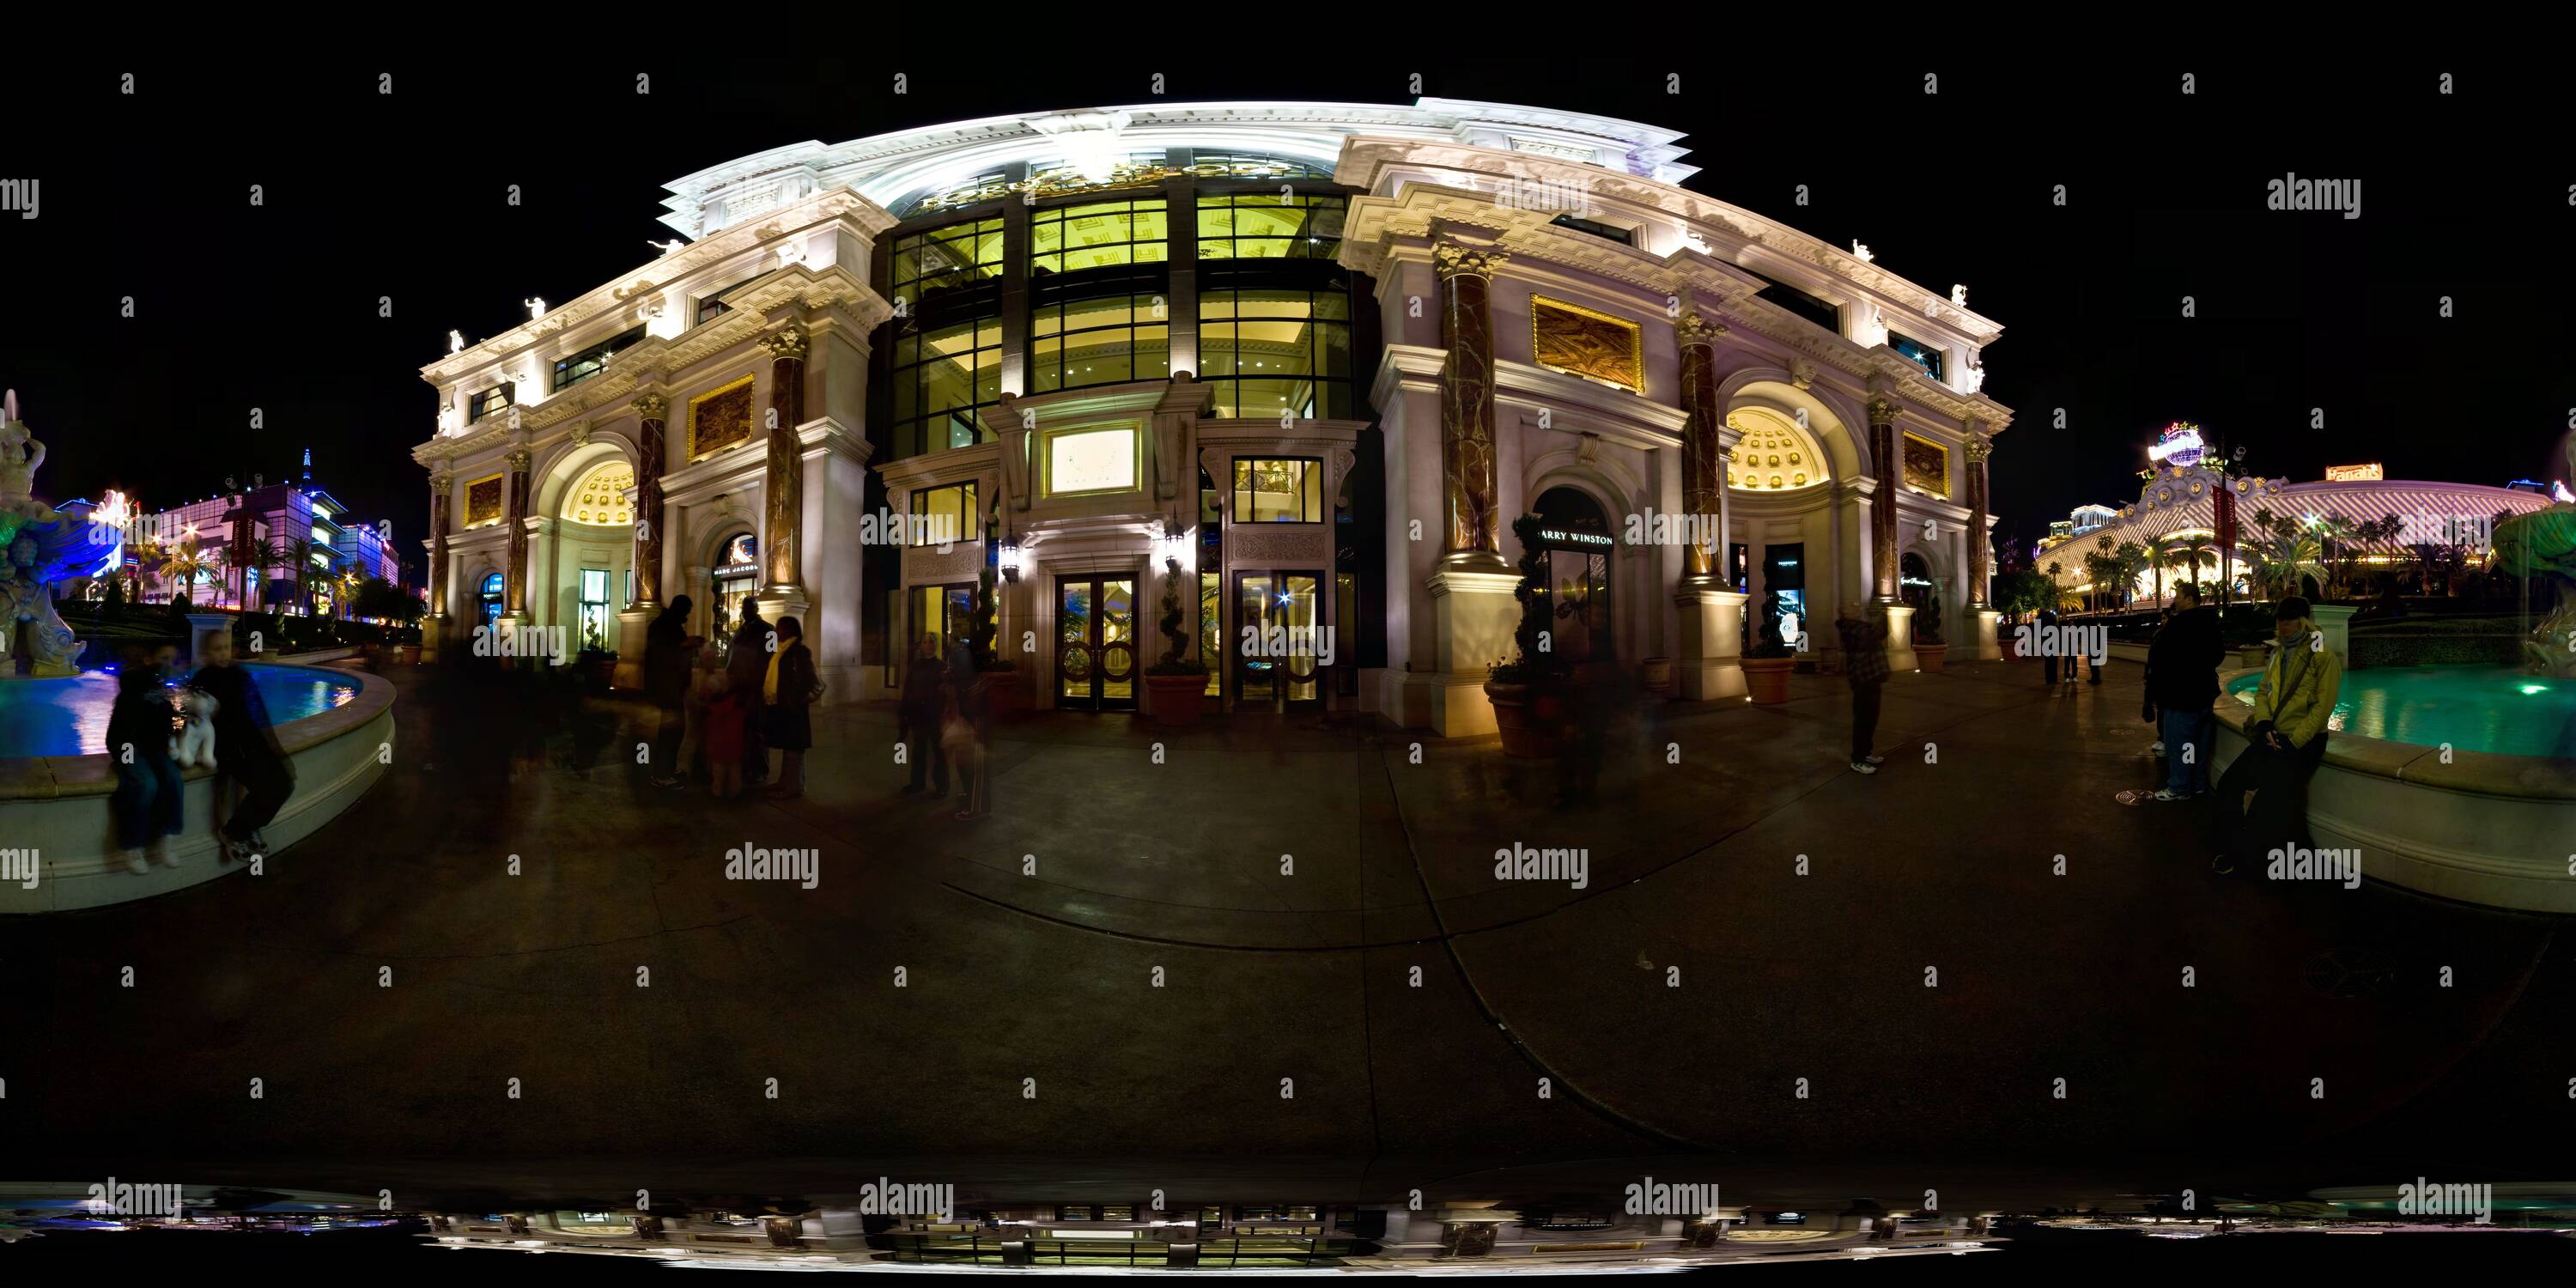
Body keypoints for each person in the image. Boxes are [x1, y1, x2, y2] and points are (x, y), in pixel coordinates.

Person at [2206, 597, 2342, 874]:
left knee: (2268, 800)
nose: (2285, 625)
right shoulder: (2278, 654)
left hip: (2304, 743)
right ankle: (2231, 844)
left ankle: (2242, 858)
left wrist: (2293, 743)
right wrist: (2266, 726)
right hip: (2274, 735)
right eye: (2281, 619)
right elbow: (2263, 692)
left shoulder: (2322, 655)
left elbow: (2322, 708)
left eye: (2291, 619)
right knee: (2230, 784)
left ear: (2305, 621)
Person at [189, 628, 293, 862]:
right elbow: (194, 719)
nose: (223, 653)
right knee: (266, 786)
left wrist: (276, 748)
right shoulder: (202, 680)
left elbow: (257, 710)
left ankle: (249, 824)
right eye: (217, 649)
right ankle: (235, 831)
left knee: (284, 784)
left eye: (226, 647)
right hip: (228, 746)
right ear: (205, 654)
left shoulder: (239, 674)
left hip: (250, 740)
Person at [105, 645, 185, 874]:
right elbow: (129, 682)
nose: (167, 664)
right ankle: (132, 845)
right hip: (126, 745)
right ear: (149, 660)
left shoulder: (161, 690)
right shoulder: (133, 681)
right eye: (163, 658)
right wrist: (154, 672)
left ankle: (168, 835)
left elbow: (165, 723)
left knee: (173, 778)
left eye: (172, 660)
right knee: (145, 782)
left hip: (152, 747)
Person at [2146, 583, 2226, 802]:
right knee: (2198, 745)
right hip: (2205, 694)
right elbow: (2219, 654)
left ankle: (2180, 786)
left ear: (2190, 599)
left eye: (2179, 597)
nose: (2176, 601)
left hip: (2181, 697)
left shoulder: (2177, 625)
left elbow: (2160, 660)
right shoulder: (2211, 622)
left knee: (2182, 745)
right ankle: (2198, 784)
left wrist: (2153, 693)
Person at [761, 615, 818, 799]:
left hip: (793, 707)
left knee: (794, 748)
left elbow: (810, 679)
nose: (777, 631)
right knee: (789, 746)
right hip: (784, 706)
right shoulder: (782, 650)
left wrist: (799, 699)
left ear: (790, 630)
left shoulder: (798, 651)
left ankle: (794, 787)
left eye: (780, 628)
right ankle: (785, 781)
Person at [645, 594, 700, 789]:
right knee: (671, 731)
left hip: (672, 686)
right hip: (668, 687)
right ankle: (662, 774)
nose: (688, 615)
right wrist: (685, 645)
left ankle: (668, 768)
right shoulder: (664, 626)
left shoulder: (668, 624)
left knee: (674, 730)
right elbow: (662, 654)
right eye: (687, 611)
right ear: (680, 609)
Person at [1833, 600, 1890, 775]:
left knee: (1871, 718)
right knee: (1863, 720)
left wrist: (1883, 618)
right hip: (1863, 680)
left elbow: (1878, 633)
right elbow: (1875, 635)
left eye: (1856, 607)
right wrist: (1884, 615)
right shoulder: (1850, 629)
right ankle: (1857, 759)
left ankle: (1866, 753)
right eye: (1851, 607)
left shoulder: (1860, 626)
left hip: (1872, 677)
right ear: (1844, 613)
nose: (1856, 608)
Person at [899, 633, 951, 797]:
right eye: (925, 642)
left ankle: (942, 786)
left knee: (938, 751)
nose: (928, 644)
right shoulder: (915, 665)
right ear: (921, 645)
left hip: (935, 714)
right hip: (918, 714)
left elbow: (946, 691)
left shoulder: (942, 666)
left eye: (931, 642)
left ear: (936, 645)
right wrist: (905, 710)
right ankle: (917, 783)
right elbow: (908, 689)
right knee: (918, 750)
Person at [730, 603, 772, 786]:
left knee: (758, 730)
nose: (745, 611)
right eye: (744, 608)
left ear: (756, 609)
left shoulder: (768, 630)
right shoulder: (740, 631)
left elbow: (772, 656)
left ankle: (760, 769)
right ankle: (746, 765)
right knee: (744, 728)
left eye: (749, 607)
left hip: (756, 687)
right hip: (740, 687)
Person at [702, 672, 747, 800]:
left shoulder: (711, 709)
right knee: (734, 770)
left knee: (718, 771)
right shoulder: (737, 704)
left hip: (717, 746)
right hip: (735, 744)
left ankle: (717, 792)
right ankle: (734, 792)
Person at [2038, 605, 2062, 685]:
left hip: (2046, 642)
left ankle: (2049, 680)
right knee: (2053, 662)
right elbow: (2057, 627)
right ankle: (2054, 679)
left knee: (2048, 662)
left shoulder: (2039, 617)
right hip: (2053, 641)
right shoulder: (2051, 616)